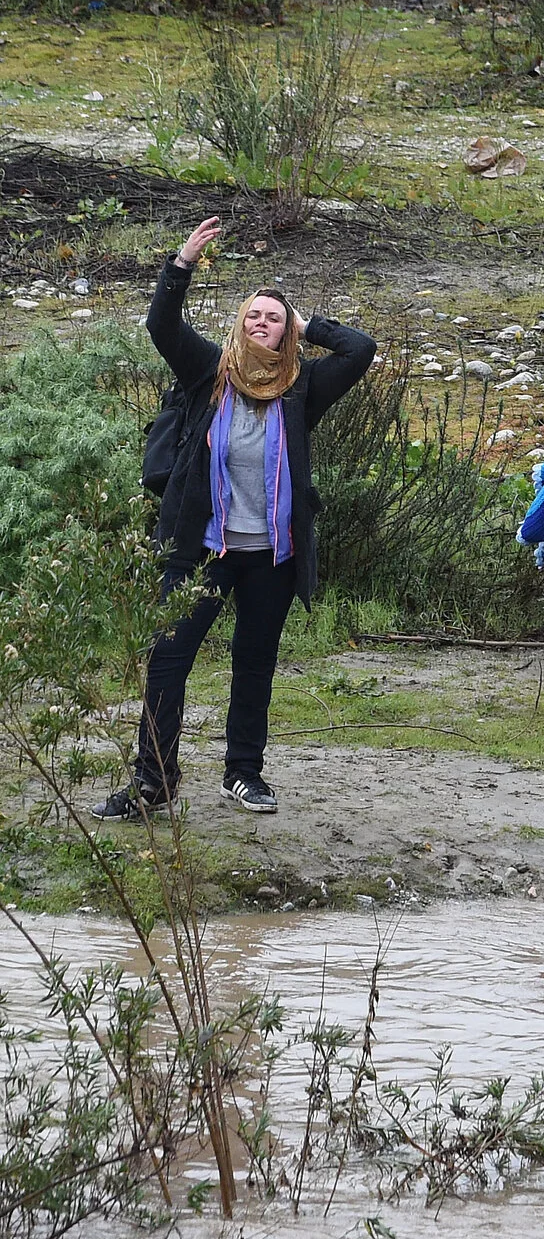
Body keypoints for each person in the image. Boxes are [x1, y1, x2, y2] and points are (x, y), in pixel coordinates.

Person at [93, 218, 376, 821]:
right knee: (168, 660)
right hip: (201, 549)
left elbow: (362, 350)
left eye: (275, 318)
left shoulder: (304, 388)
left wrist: (308, 324)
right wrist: (183, 263)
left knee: (254, 664)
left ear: (286, 334)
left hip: (271, 554)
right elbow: (161, 326)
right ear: (239, 323)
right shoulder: (207, 374)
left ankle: (243, 775)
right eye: (255, 314)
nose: (262, 322)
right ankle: (154, 782)